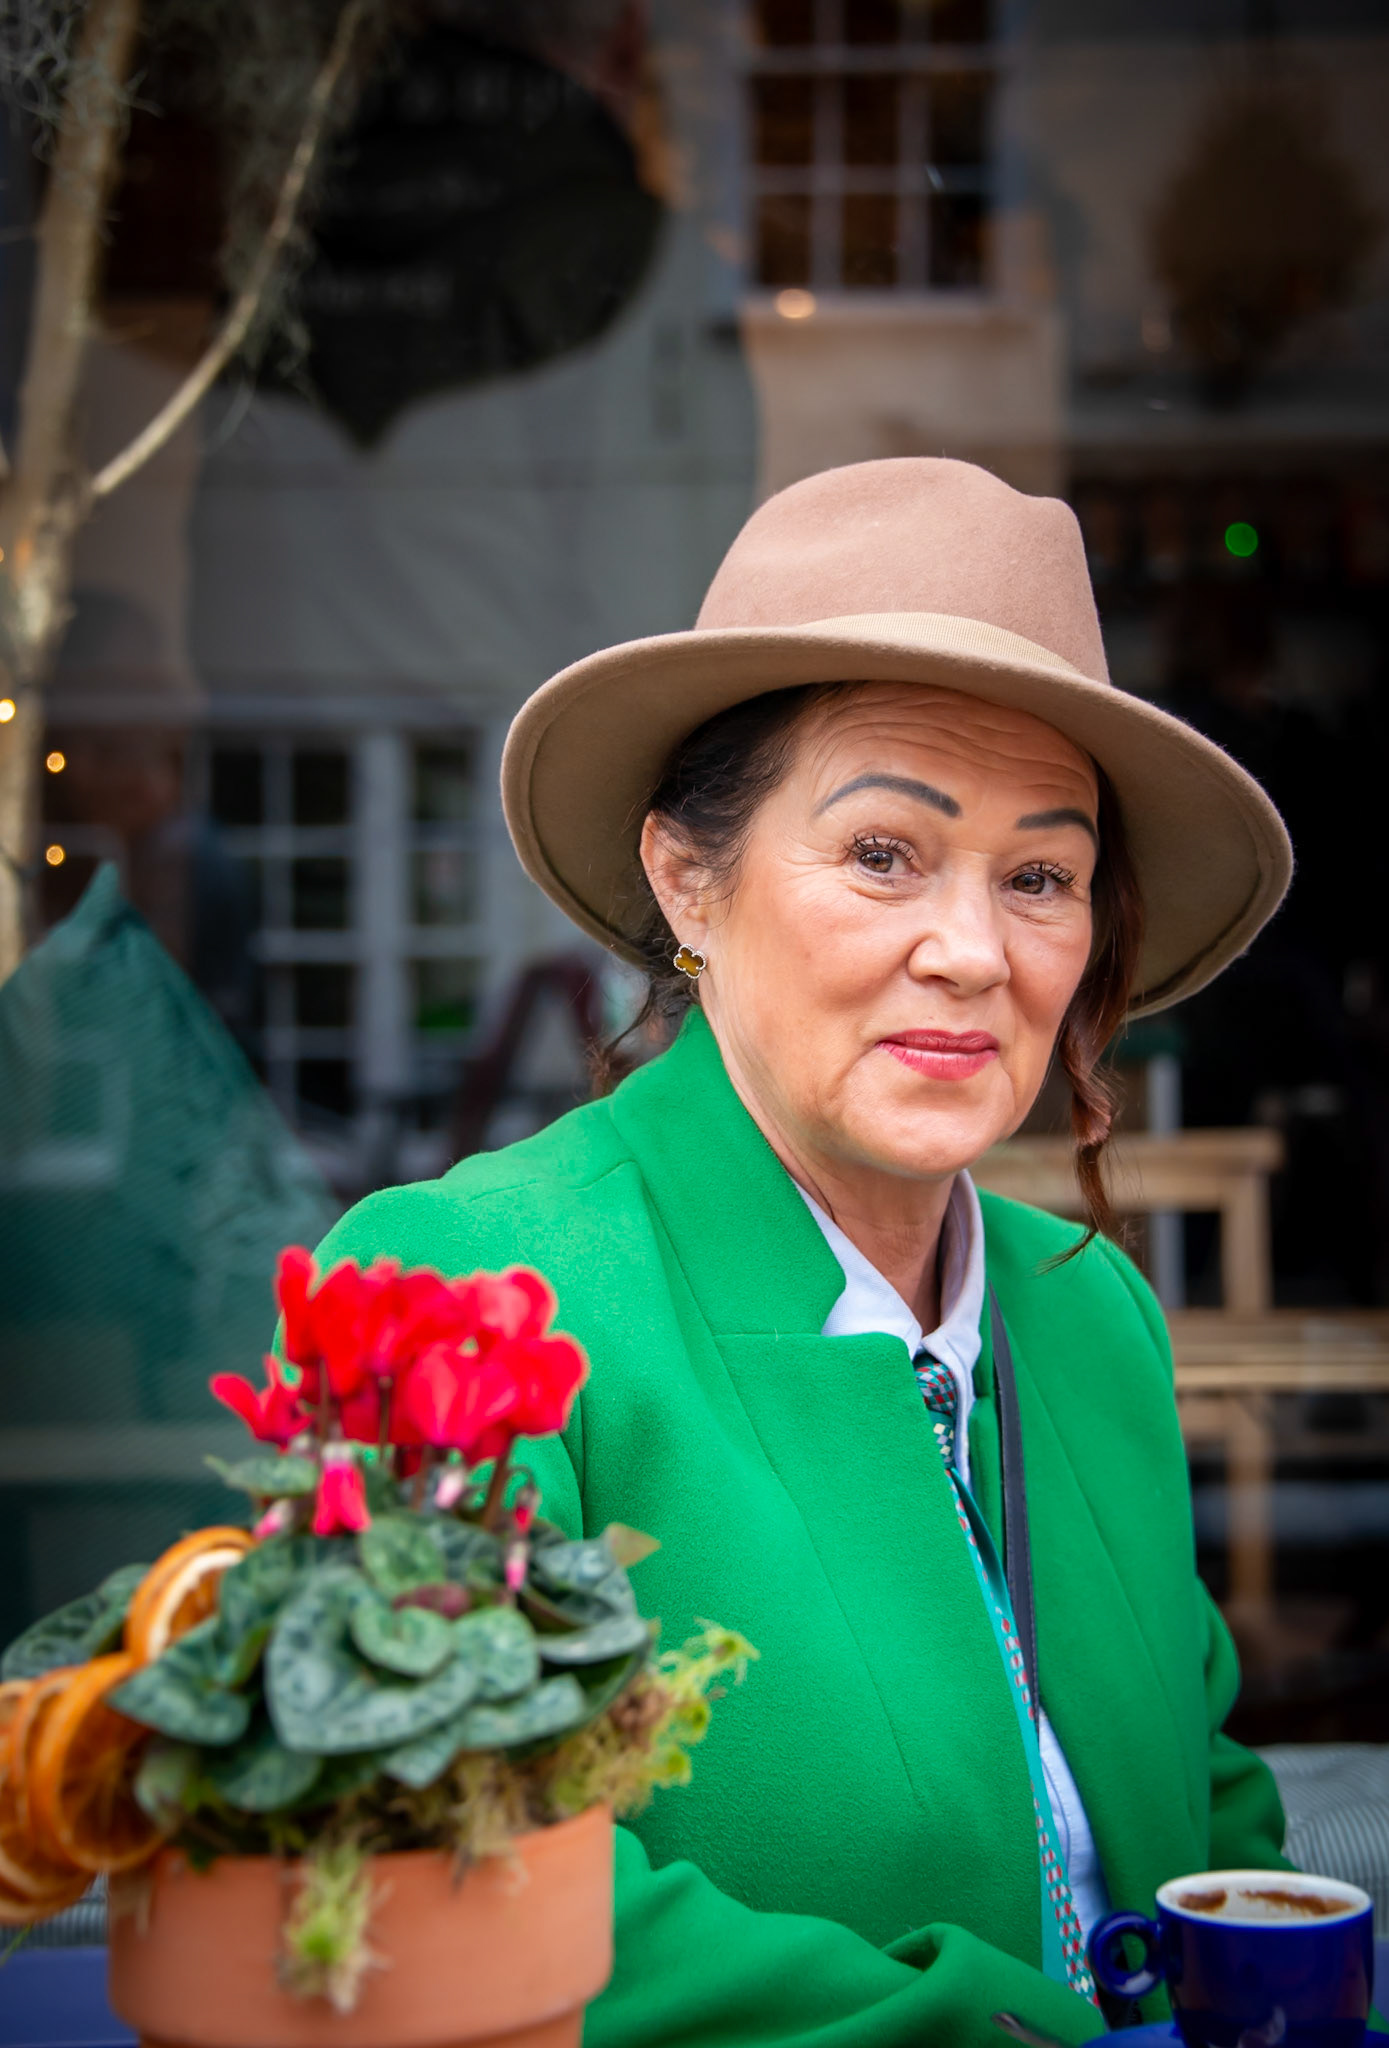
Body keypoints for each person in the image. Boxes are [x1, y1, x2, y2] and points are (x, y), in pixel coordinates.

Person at [313, 459, 1294, 2047]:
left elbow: (1213, 1822)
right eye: (884, 854)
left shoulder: (1087, 1312)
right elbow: (427, 1880)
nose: (971, 952)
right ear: (684, 879)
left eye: (1039, 877)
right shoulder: (462, 1294)